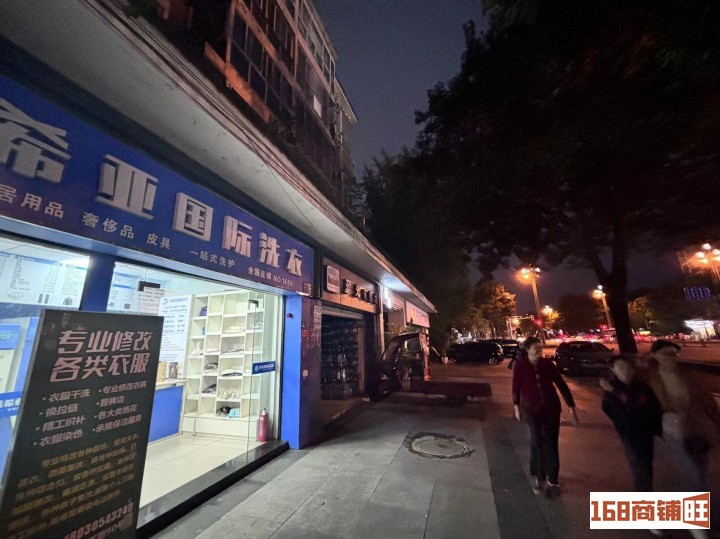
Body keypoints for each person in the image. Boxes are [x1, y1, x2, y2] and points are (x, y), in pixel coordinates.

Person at [646, 339, 720, 492]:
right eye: (665, 354)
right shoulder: (650, 379)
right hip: (671, 431)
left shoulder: (688, 375)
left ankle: (700, 493)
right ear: (655, 355)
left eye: (674, 354)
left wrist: (716, 421)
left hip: (697, 428)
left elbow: (707, 400)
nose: (671, 357)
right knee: (687, 468)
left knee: (700, 467)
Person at [512, 337, 578, 493]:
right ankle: (539, 475)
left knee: (551, 441)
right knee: (537, 441)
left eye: (540, 347)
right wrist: (516, 407)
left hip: (551, 408)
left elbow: (561, 384)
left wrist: (571, 406)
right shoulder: (521, 365)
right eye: (535, 347)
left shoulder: (547, 365)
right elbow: (516, 387)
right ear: (527, 349)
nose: (539, 350)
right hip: (531, 409)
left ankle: (553, 476)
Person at [600, 356, 662, 491]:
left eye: (627, 367)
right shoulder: (611, 391)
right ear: (613, 370)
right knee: (640, 467)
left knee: (647, 464)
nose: (624, 370)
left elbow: (654, 406)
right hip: (630, 435)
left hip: (647, 432)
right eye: (620, 367)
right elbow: (621, 411)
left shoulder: (642, 386)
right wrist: (616, 393)